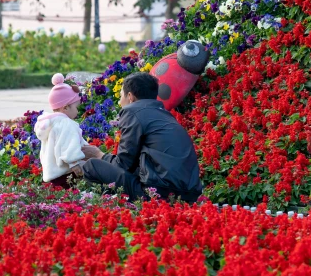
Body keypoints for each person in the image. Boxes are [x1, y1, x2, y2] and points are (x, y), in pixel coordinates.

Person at [79, 72, 203, 202]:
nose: (119, 102)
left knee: (91, 166)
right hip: (189, 195)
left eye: (121, 96)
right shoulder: (164, 115)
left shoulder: (133, 112)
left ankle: (117, 209)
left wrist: (99, 155)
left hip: (158, 195)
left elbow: (123, 165)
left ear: (130, 97)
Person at [35, 74, 102, 188]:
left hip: (53, 173)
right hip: (67, 172)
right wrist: (74, 163)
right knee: (73, 197)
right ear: (65, 107)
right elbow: (68, 144)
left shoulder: (51, 123)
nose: (78, 111)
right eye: (76, 107)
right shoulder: (66, 124)